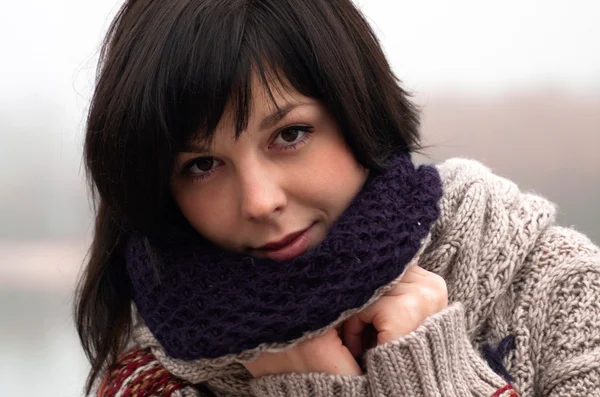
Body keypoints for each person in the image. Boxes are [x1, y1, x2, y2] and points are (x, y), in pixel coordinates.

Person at [74, 0, 600, 396]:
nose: (259, 201)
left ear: (360, 114)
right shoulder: (151, 375)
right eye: (202, 166)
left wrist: (439, 377)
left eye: (289, 134)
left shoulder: (556, 289)